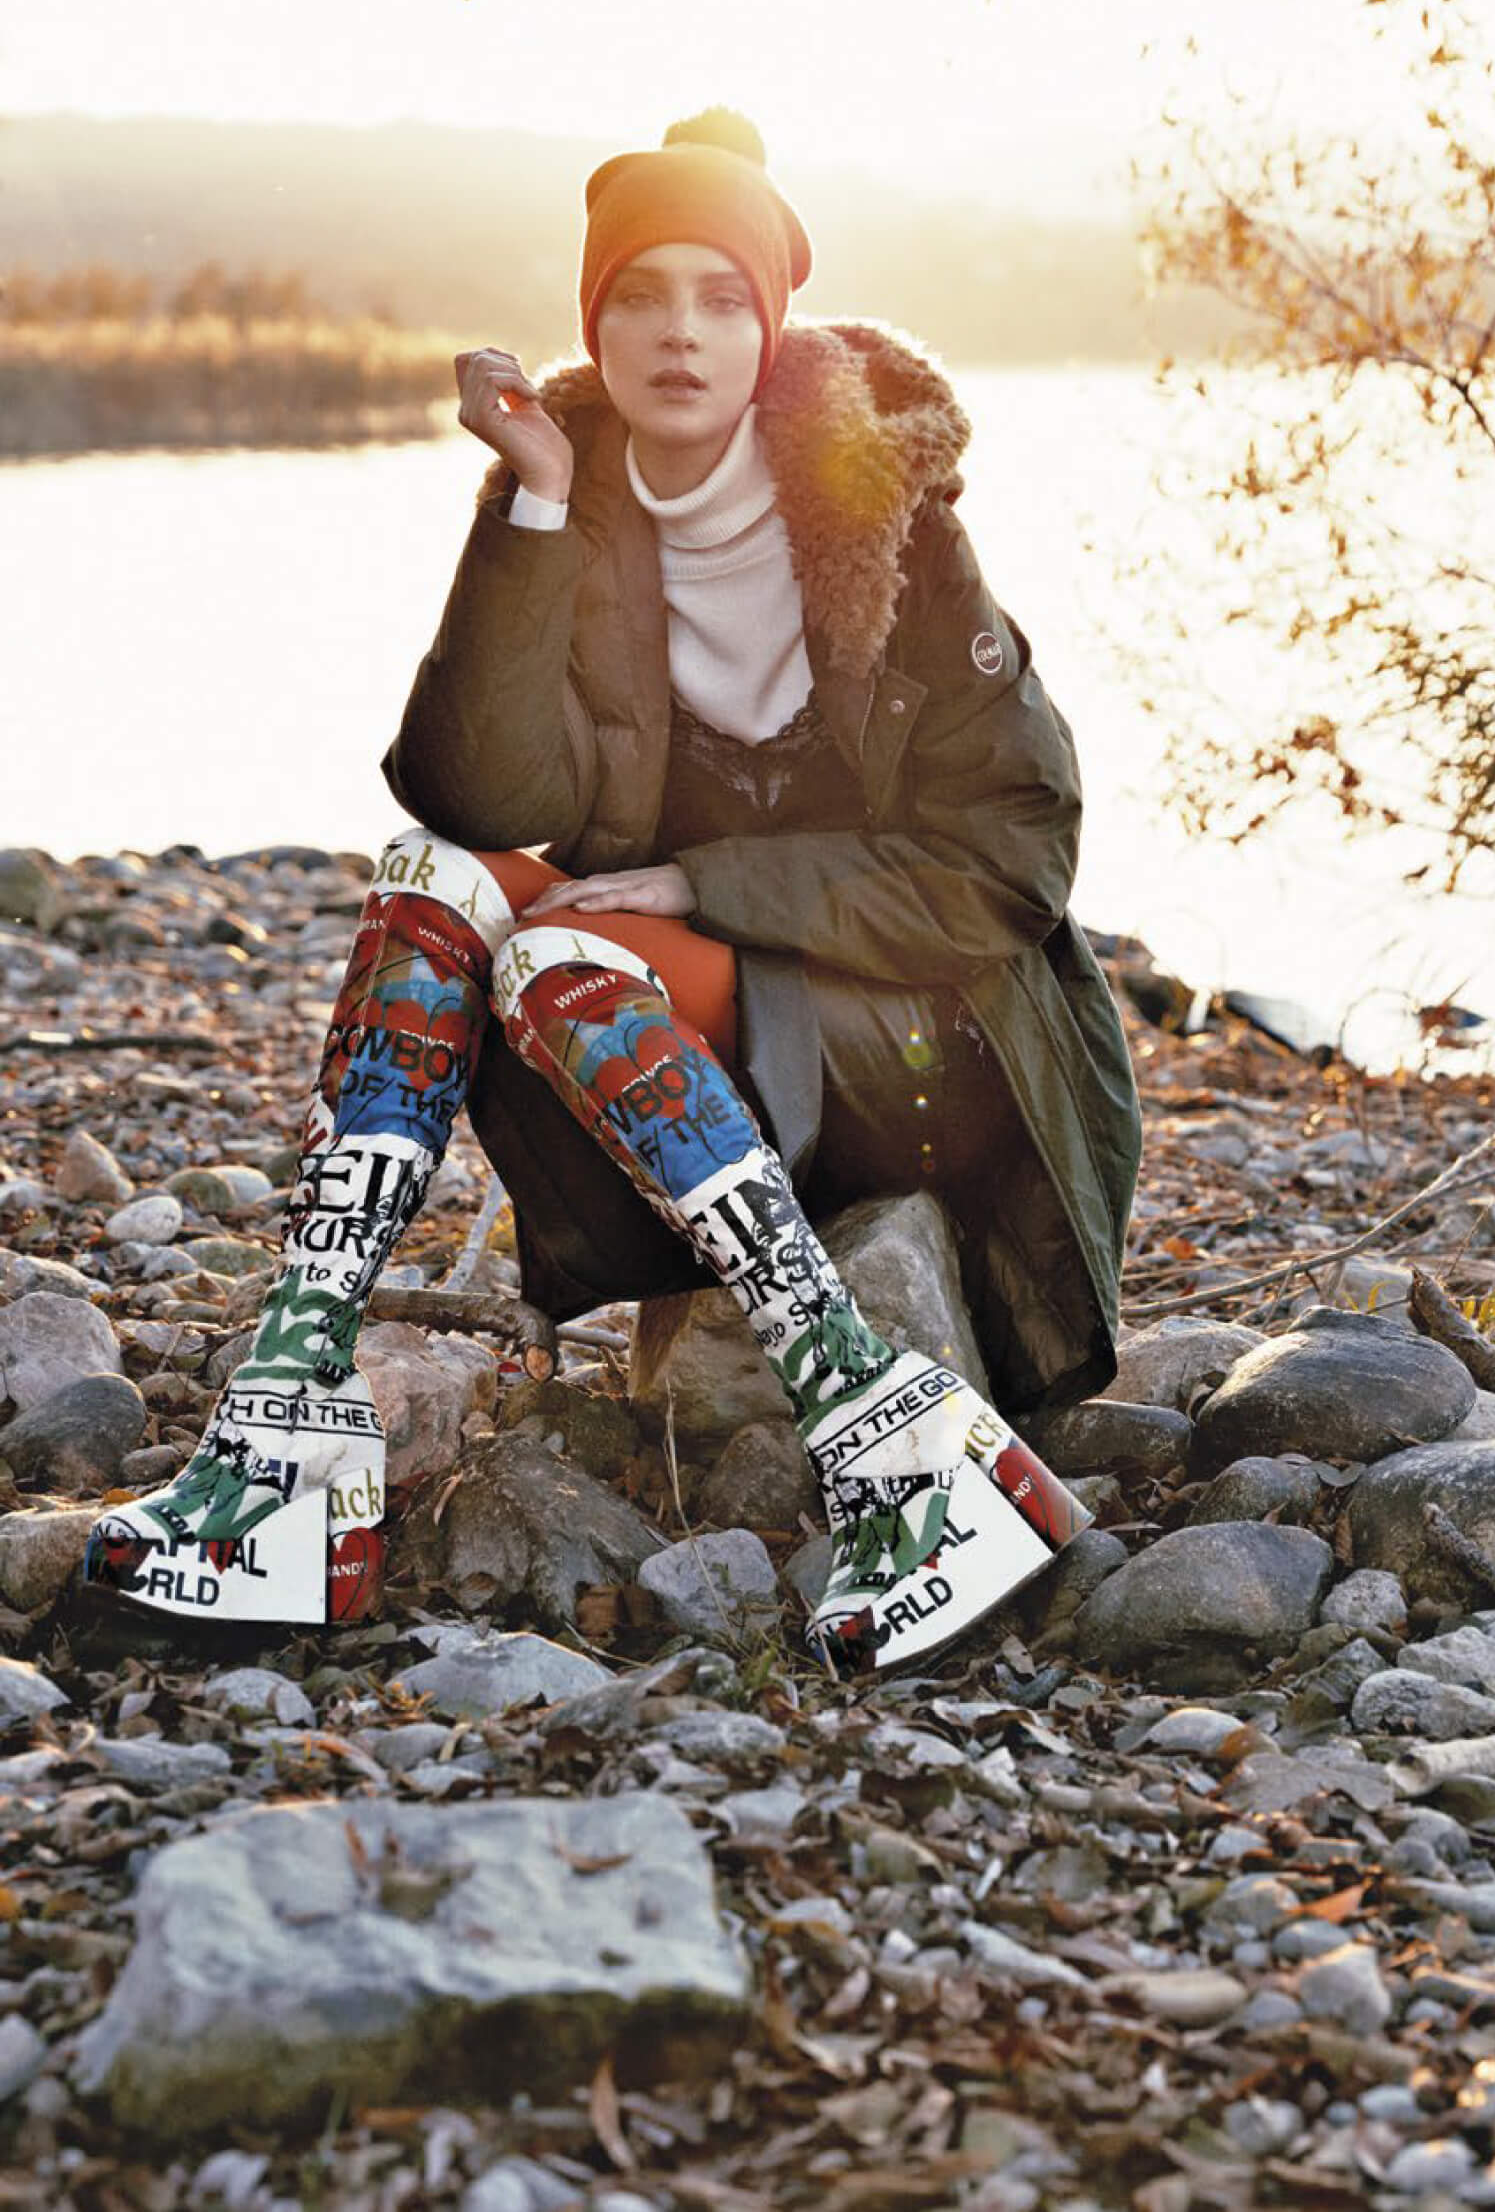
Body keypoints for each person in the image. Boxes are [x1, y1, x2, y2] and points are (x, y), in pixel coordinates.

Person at [84, 110, 1141, 1674]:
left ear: (770, 331)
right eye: (641, 294)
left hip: (932, 1042)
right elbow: (475, 795)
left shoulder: (894, 525)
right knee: (439, 879)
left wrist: (697, 881)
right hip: (687, 1025)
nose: (679, 333)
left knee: (560, 959)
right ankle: (287, 1419)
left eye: (721, 298)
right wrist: (525, 504)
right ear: (596, 320)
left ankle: (893, 1437)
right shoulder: (569, 496)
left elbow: (1009, 864)